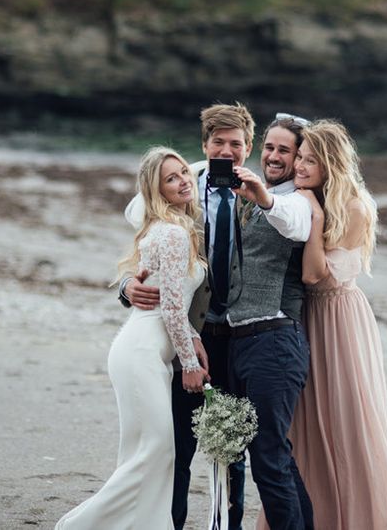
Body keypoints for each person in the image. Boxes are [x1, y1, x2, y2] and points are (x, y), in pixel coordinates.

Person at [55, 147, 209, 530]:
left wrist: (191, 337)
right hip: (141, 351)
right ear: (156, 191)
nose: (182, 181)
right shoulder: (172, 233)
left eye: (183, 173)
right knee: (157, 449)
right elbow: (170, 308)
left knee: (148, 453)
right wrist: (189, 363)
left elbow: (167, 296)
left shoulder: (170, 228)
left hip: (144, 348)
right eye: (170, 179)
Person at [121, 103, 255, 530]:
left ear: (248, 148)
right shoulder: (182, 187)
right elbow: (143, 243)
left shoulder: (263, 196)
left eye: (236, 144)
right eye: (218, 143)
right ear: (205, 146)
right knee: (178, 446)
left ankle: (227, 526)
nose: (227, 151)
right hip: (189, 336)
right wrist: (127, 288)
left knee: (230, 444)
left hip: (238, 337)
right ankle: (171, 523)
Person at [287, 119, 387, 530]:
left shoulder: (354, 208)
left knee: (349, 422)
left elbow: (315, 275)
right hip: (308, 318)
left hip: (339, 320)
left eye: (310, 160)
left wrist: (316, 218)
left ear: (329, 163)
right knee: (305, 427)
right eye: (299, 158)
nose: (300, 167)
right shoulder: (302, 198)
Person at [226, 114, 315, 530]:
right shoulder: (242, 190)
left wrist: (263, 195)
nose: (274, 156)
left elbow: (291, 223)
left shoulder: (299, 201)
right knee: (257, 455)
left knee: (269, 458)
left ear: (299, 159)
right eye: (269, 147)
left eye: (285, 150)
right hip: (237, 341)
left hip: (275, 341)